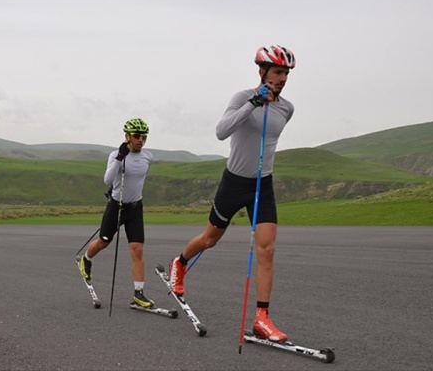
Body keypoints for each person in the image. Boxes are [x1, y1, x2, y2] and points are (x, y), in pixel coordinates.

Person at [168, 45, 296, 342]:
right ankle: (181, 263)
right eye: (277, 71)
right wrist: (253, 103)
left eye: (286, 73)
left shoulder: (287, 108)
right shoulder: (242, 97)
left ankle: (262, 319)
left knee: (267, 249)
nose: (282, 78)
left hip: (262, 184)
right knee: (210, 239)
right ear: (262, 71)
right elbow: (221, 131)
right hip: (234, 181)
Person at [77, 118, 155, 308]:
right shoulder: (115, 155)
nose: (141, 140)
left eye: (143, 137)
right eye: (137, 136)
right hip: (116, 206)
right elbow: (107, 179)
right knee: (104, 241)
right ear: (127, 137)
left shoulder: (148, 157)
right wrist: (120, 157)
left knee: (137, 249)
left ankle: (139, 294)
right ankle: (86, 260)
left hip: (135, 208)